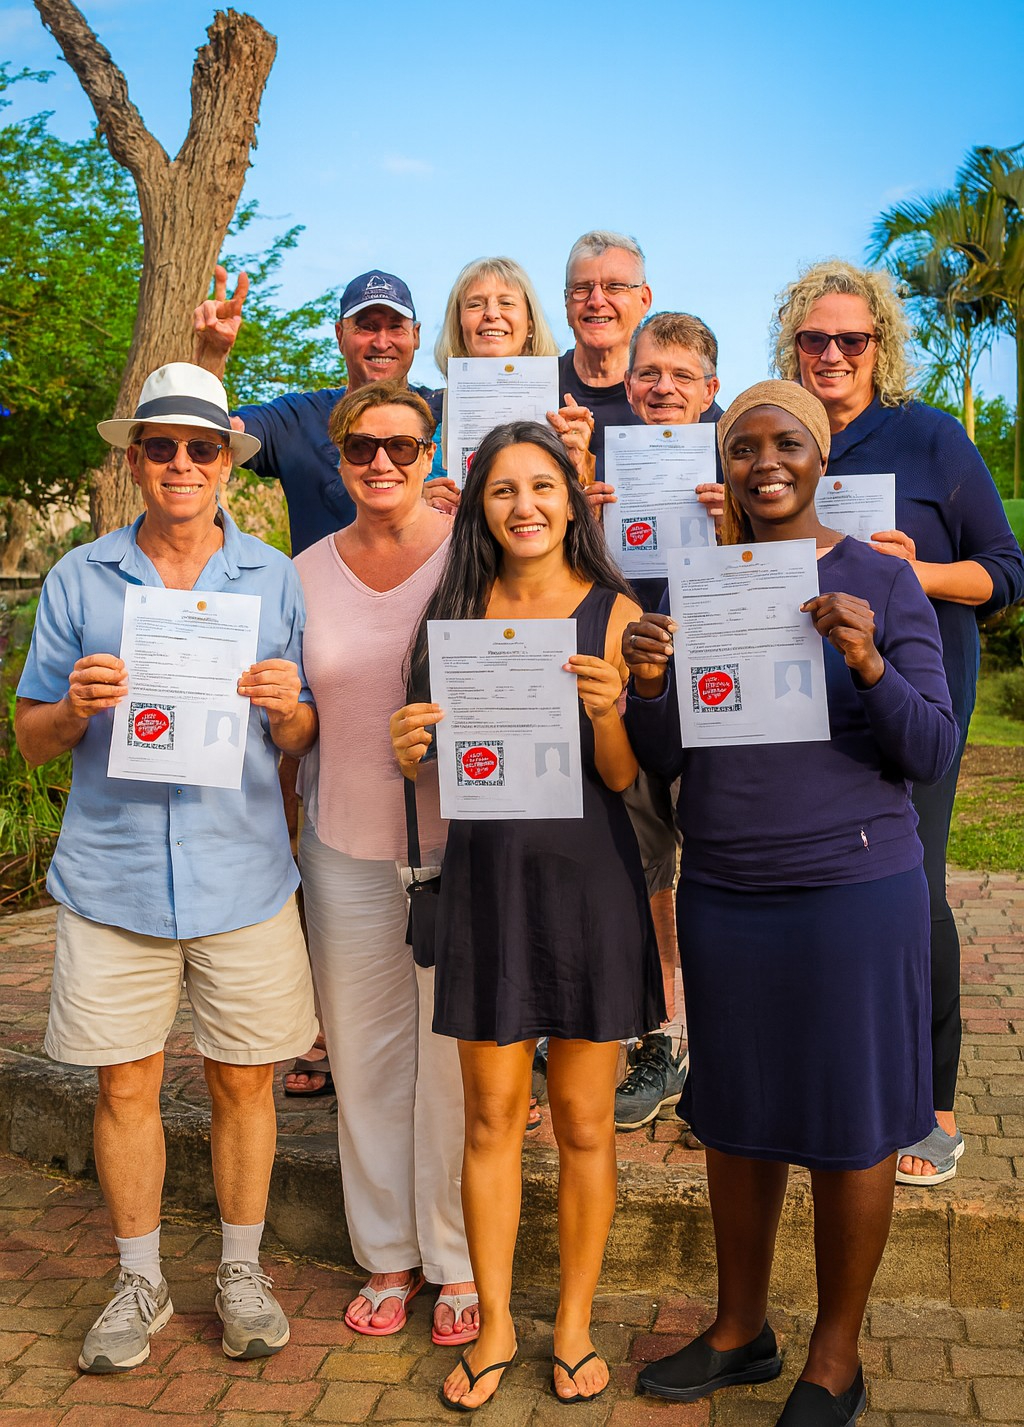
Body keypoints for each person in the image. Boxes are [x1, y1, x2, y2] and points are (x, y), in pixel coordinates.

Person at [624, 380, 958, 1426]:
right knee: (736, 1117)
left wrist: (863, 657)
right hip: (728, 887)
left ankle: (834, 1355)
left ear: (820, 461)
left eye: (784, 443)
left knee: (853, 1125)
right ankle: (739, 1330)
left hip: (853, 889)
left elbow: (928, 747)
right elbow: (665, 760)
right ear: (721, 470)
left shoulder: (881, 579)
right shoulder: (696, 586)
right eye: (742, 448)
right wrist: (646, 686)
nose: (763, 462)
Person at [14, 363, 319, 1372]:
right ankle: (137, 1277)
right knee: (125, 1086)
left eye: (201, 447)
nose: (182, 462)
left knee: (245, 1083)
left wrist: (289, 707)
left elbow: (307, 730)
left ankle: (240, 1267)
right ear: (135, 459)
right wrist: (74, 709)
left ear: (227, 462)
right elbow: (30, 739)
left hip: (242, 869)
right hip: (115, 874)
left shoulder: (275, 576)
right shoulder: (78, 577)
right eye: (162, 446)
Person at [391, 422, 664, 1410]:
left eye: (541, 486)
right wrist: (409, 744)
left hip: (591, 881)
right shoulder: (456, 609)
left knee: (588, 1123)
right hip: (488, 885)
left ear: (570, 496)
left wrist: (605, 710)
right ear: (480, 506)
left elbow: (630, 778)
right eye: (503, 489)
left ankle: (578, 1320)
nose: (524, 506)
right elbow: (426, 761)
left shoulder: (614, 608)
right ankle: (499, 1317)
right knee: (492, 1119)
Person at [772, 259, 1024, 1185]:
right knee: (813, 892)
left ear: (882, 344)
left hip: (910, 698)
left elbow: (1006, 571)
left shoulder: (929, 439)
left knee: (912, 890)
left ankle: (932, 1099)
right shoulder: (769, 434)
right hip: (789, 706)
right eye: (814, 339)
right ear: (791, 346)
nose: (832, 354)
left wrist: (912, 574)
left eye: (852, 339)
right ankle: (823, 1084)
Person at [292, 379, 476, 1347]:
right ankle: (387, 1250)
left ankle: (455, 1255)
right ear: (340, 454)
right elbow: (291, 716)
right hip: (342, 844)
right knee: (363, 1056)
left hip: (455, 845)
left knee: (450, 1061)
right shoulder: (303, 571)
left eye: (403, 447)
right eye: (363, 447)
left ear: (431, 450)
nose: (382, 464)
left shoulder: (469, 556)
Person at [607, 312, 724, 1131]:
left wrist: (735, 524)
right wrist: (584, 512)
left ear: (710, 391)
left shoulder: (745, 459)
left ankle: (726, 1034)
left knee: (721, 858)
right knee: (644, 857)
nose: (663, 388)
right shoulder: (601, 466)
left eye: (682, 376)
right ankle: (662, 1033)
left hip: (725, 688)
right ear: (627, 382)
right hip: (631, 681)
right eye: (650, 373)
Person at [193, 266, 454, 555]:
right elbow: (211, 433)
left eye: (395, 327)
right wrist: (212, 356)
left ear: (415, 335)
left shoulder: (450, 415)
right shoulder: (298, 419)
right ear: (340, 334)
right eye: (366, 326)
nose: (382, 342)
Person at [432, 255, 596, 481]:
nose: (491, 314)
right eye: (475, 304)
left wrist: (581, 470)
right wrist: (422, 502)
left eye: (506, 303)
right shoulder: (432, 423)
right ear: (459, 325)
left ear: (530, 325)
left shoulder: (561, 417)